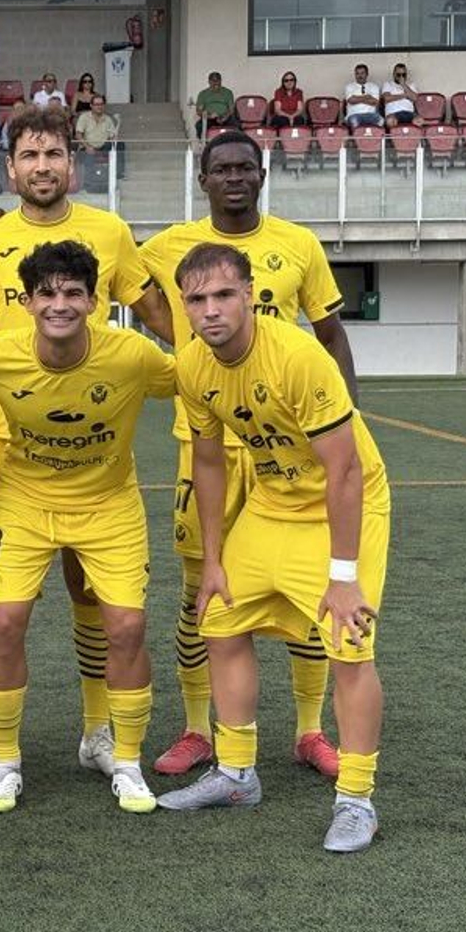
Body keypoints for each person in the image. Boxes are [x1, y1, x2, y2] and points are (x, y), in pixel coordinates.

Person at [0, 104, 174, 775]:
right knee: (6, 611)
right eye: (29, 156)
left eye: (52, 155)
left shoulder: (109, 232)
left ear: (73, 162)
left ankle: (97, 732)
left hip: (90, 450)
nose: (42, 167)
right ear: (11, 168)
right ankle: (2, 748)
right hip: (6, 452)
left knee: (94, 596)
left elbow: (157, 317)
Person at [138, 130, 358, 780]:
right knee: (202, 589)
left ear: (261, 175)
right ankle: (197, 728)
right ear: (201, 179)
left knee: (308, 589)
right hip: (202, 441)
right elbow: (107, 267)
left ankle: (311, 730)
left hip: (286, 451)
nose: (233, 177)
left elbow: (330, 334)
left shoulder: (298, 245)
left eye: (244, 167)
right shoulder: (166, 246)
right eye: (220, 169)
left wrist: (345, 420)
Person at [157, 242, 389, 856]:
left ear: (250, 293)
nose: (211, 311)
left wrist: (342, 576)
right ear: (184, 306)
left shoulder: (297, 356)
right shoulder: (193, 367)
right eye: (197, 300)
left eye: (223, 295)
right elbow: (208, 460)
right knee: (220, 618)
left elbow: (345, 471)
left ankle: (357, 801)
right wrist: (211, 559)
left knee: (349, 644)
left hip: (342, 506)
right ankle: (236, 774)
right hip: (271, 503)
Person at [0, 241, 175, 815]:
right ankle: (5, 758)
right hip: (23, 503)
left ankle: (122, 757)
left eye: (73, 294)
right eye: (48, 294)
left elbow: (197, 381)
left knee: (127, 627)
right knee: (4, 622)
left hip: (108, 506)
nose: (60, 305)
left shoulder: (132, 354)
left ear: (94, 301)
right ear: (28, 301)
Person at [194, 71, 237, 139]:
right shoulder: (203, 94)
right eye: (213, 81)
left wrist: (225, 117)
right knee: (199, 126)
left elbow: (231, 109)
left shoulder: (228, 92)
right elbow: (199, 111)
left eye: (218, 80)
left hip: (225, 117)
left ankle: (235, 144)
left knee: (236, 125)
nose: (216, 83)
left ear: (220, 81)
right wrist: (209, 116)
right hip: (209, 118)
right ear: (209, 82)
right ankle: (203, 145)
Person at [343, 64, 382, 128]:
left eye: (362, 73)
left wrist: (357, 98)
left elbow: (375, 102)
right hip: (354, 114)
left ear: (367, 74)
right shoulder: (349, 87)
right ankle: (356, 138)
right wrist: (367, 97)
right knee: (354, 121)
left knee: (381, 121)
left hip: (371, 114)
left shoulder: (374, 86)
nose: (360, 76)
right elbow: (351, 100)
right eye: (357, 73)